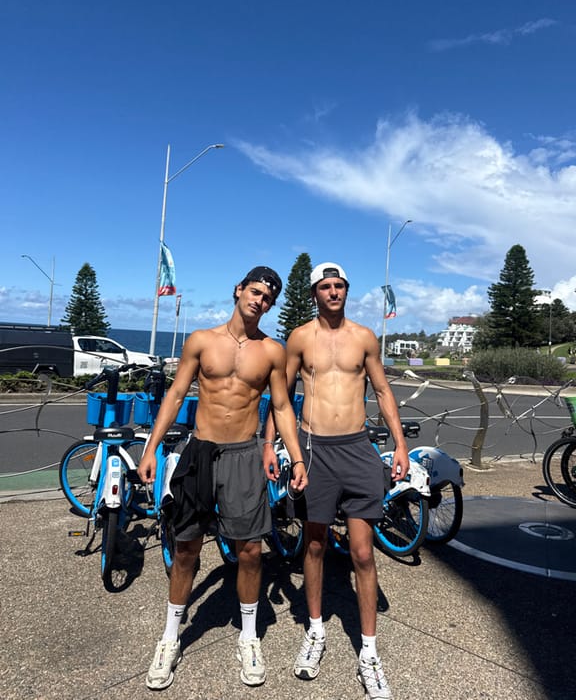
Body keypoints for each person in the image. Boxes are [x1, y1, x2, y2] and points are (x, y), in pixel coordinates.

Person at [138, 266, 308, 691]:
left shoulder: (272, 351)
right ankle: (170, 636)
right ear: (238, 290)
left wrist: (298, 458)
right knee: (186, 549)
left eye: (268, 298)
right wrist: (151, 449)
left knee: (251, 550)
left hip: (243, 454)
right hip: (200, 452)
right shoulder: (201, 340)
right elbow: (176, 394)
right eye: (255, 292)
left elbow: (282, 408)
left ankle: (249, 638)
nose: (260, 301)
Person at [264, 262, 409, 700]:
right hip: (313, 450)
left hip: (357, 449)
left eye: (339, 285)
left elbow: (382, 391)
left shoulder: (363, 337)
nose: (333, 291)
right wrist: (271, 445)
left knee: (363, 552)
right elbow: (281, 396)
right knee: (314, 543)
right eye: (325, 286)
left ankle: (368, 653)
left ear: (347, 290)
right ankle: (315, 631)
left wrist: (399, 446)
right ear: (314, 294)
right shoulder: (299, 338)